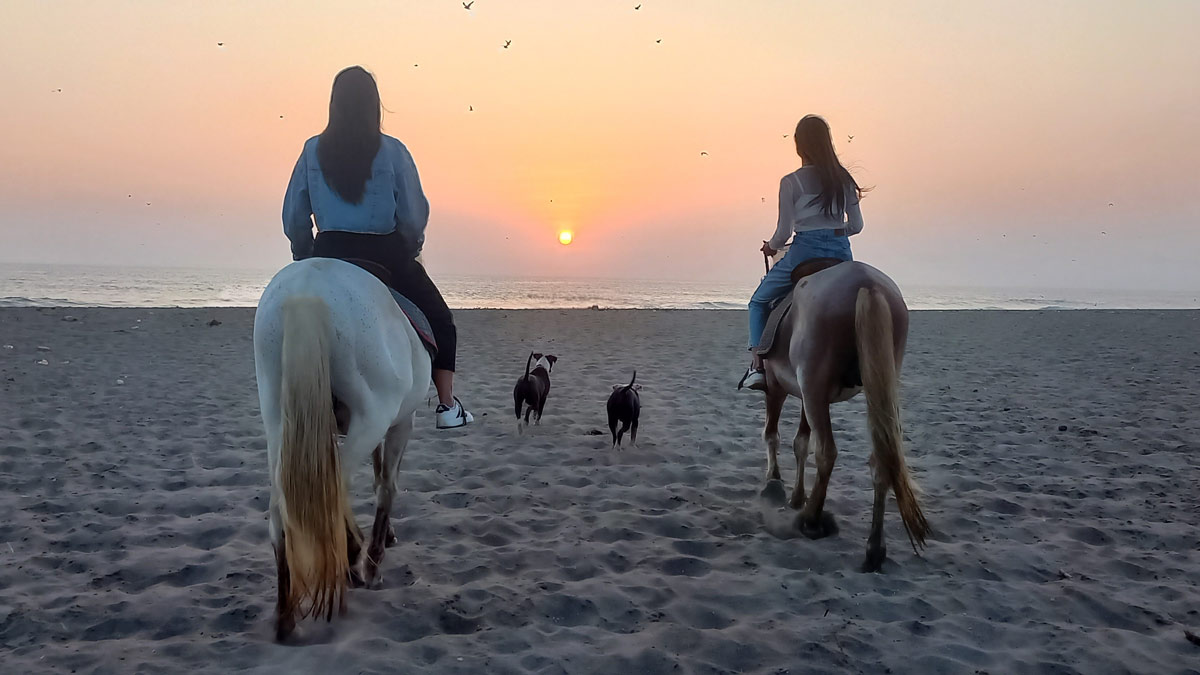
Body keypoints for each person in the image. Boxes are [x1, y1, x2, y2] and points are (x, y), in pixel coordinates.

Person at [282, 66, 473, 429]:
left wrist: (305, 255)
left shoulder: (311, 151)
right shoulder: (393, 152)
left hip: (327, 254)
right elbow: (414, 216)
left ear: (334, 105)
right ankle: (447, 406)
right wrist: (410, 246)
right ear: (374, 106)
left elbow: (294, 216)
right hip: (383, 255)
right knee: (442, 321)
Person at [739, 115, 866, 391]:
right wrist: (834, 231)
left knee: (758, 302)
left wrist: (771, 247)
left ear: (799, 146)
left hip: (805, 250)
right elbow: (856, 226)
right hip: (841, 252)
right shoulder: (843, 180)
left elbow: (784, 232)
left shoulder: (791, 182)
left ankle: (758, 367)